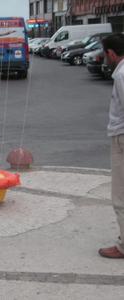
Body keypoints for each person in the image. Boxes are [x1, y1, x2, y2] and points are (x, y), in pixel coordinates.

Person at [99, 33, 124, 258]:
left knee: (120, 196)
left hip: (122, 138)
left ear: (112, 54)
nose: (103, 58)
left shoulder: (121, 76)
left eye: (104, 54)